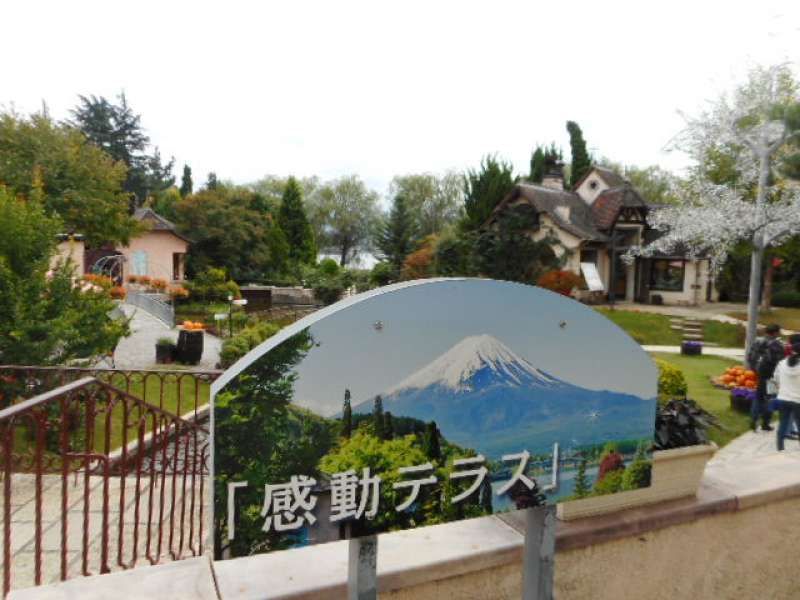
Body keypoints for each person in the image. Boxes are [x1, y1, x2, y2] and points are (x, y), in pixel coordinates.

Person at [748, 324, 784, 432]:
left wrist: (755, 370)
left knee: (758, 397)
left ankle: (753, 421)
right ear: (775, 333)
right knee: (770, 399)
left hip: (760, 374)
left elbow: (750, 357)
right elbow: (780, 361)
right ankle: (765, 423)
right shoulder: (776, 345)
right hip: (771, 376)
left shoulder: (757, 341)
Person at [774, 334, 800, 451]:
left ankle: (780, 447)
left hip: (783, 398)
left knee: (783, 422)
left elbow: (776, 379)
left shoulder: (782, 363)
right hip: (798, 400)